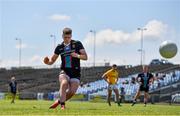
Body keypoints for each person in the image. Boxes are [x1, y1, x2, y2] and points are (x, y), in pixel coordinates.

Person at [44, 27, 88, 110]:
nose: (67, 39)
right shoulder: (59, 47)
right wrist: (47, 62)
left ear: (71, 36)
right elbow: (52, 60)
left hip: (75, 72)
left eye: (69, 37)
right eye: (65, 37)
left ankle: (58, 101)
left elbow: (85, 57)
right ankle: (63, 106)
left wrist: (77, 55)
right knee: (64, 83)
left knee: (71, 92)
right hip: (65, 71)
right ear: (62, 36)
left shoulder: (77, 44)